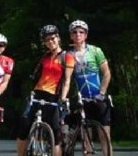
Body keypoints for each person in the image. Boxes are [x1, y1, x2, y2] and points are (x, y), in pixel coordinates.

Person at [16, 25, 74, 156]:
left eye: (52, 38)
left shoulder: (67, 56)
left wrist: (63, 98)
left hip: (53, 95)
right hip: (37, 93)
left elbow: (67, 80)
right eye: (47, 40)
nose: (50, 41)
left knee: (55, 133)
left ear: (58, 38)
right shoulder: (45, 57)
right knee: (23, 128)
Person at [68, 20, 112, 148]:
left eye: (81, 32)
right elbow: (66, 79)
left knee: (105, 136)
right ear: (71, 36)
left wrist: (102, 93)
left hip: (99, 97)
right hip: (83, 99)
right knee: (86, 138)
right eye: (74, 32)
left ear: (86, 35)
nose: (78, 35)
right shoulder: (69, 54)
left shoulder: (95, 51)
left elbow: (107, 73)